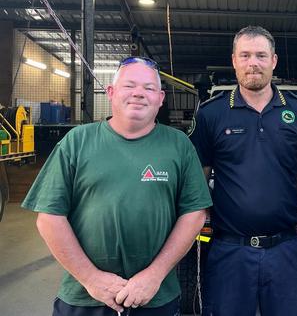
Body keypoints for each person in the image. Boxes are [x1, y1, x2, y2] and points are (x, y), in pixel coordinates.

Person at [21, 56, 212, 316]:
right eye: (129, 85)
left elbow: (194, 214)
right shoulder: (77, 142)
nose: (138, 94)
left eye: (148, 88)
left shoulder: (179, 145)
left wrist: (153, 276)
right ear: (111, 92)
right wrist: (91, 278)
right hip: (83, 297)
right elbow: (49, 217)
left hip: (155, 296)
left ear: (160, 98)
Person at [189, 25, 297, 316]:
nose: (253, 63)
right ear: (234, 60)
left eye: (260, 55)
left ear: (273, 61)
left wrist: (278, 203)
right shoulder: (211, 114)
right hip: (229, 250)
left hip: (286, 248)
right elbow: (199, 176)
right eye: (245, 55)